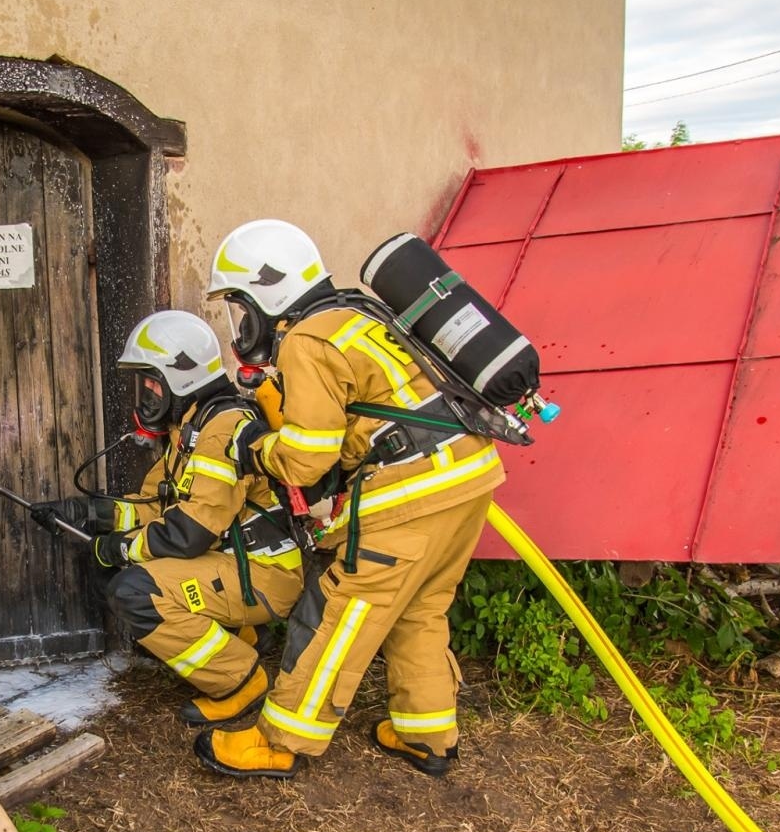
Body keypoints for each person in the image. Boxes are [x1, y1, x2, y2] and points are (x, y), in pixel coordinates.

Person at [198, 219, 505, 779]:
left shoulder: (308, 340)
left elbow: (307, 457)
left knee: (344, 612)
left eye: (242, 307)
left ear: (267, 292)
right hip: (469, 476)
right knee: (423, 606)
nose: (242, 323)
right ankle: (427, 735)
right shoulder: (359, 315)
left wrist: (254, 450)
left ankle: (282, 741)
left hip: (410, 493)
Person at [34, 310, 305, 727]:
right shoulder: (190, 430)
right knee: (114, 571)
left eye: (151, 382)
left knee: (134, 591)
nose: (144, 395)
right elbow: (154, 505)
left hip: (264, 572)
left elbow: (189, 533)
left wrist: (119, 546)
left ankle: (240, 679)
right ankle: (242, 637)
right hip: (231, 563)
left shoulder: (223, 428)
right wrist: (87, 512)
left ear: (180, 376)